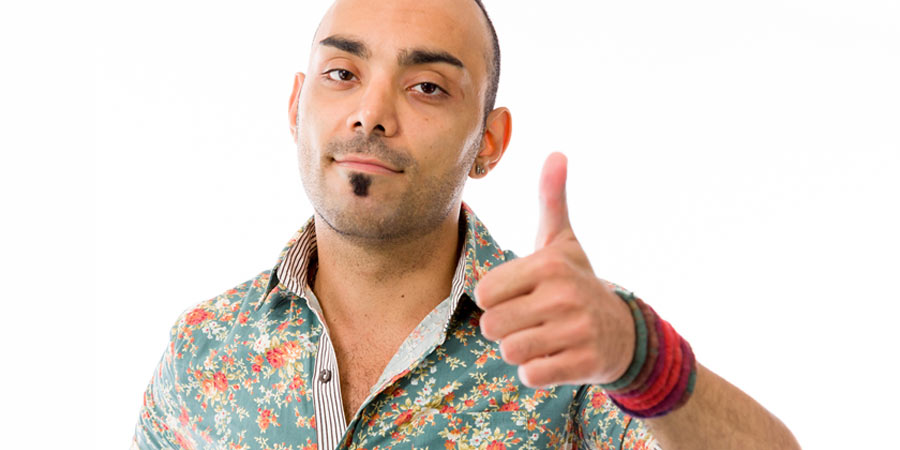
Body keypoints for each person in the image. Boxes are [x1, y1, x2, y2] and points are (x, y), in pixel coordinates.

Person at [132, 0, 800, 448]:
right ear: (296, 104)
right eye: (342, 73)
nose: (370, 112)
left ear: (489, 140)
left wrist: (636, 353)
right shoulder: (203, 348)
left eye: (426, 86)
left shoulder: (569, 350)